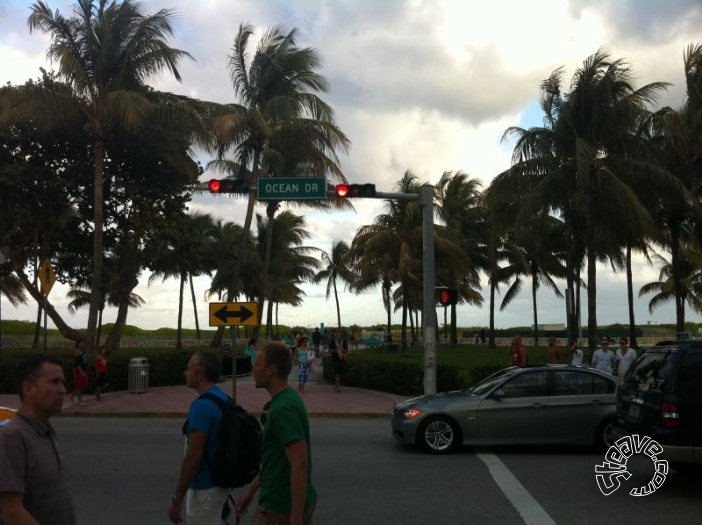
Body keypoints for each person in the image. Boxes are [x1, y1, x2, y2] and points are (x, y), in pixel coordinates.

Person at [236, 341, 317, 524]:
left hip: (279, 507)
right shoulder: (286, 399)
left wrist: (295, 517)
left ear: (270, 370)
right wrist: (251, 489)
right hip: (280, 501)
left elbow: (300, 465)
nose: (253, 369)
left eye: (257, 364)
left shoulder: (283, 409)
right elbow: (276, 460)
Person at [0, 354, 77, 524]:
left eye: (63, 382)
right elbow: (11, 512)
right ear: (28, 389)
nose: (63, 390)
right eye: (54, 382)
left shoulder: (46, 430)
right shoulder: (13, 436)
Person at [169, 351, 230, 524]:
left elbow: (194, 457)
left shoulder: (202, 407)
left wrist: (177, 498)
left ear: (201, 374)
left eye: (189, 369)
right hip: (219, 485)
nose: (185, 373)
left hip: (205, 489)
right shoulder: (222, 397)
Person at [70, 338, 88, 405]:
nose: (83, 344)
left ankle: (72, 394)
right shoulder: (77, 351)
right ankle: (80, 400)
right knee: (79, 386)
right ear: (78, 344)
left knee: (84, 385)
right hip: (78, 370)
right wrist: (81, 372)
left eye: (84, 343)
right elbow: (77, 363)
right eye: (81, 343)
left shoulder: (83, 351)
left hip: (84, 369)